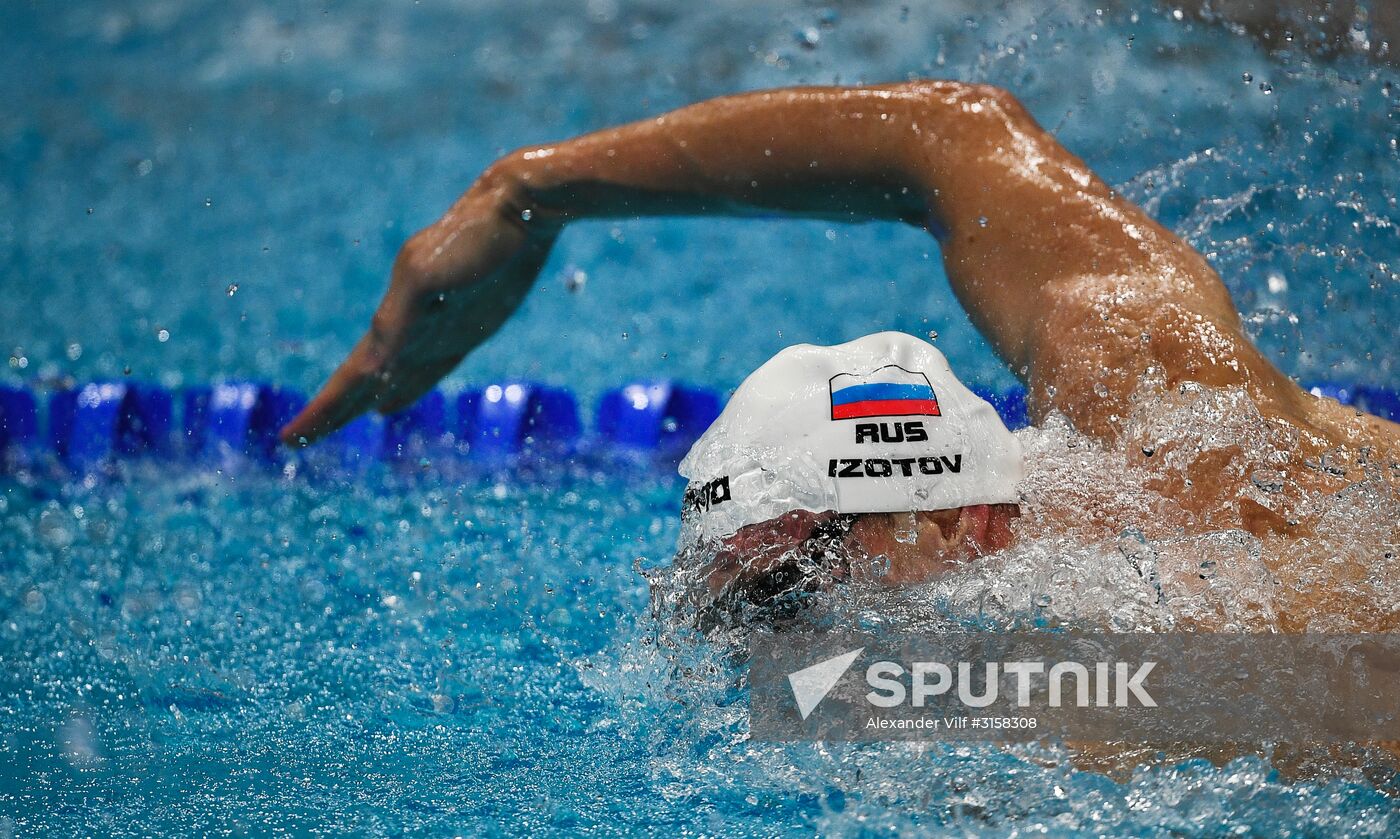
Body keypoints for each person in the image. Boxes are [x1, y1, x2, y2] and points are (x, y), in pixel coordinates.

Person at [280, 81, 1399, 630]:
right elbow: (949, 135)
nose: (758, 639)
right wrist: (527, 189)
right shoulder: (1133, 369)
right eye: (737, 595)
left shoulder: (1245, 621)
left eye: (786, 585)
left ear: (966, 521)